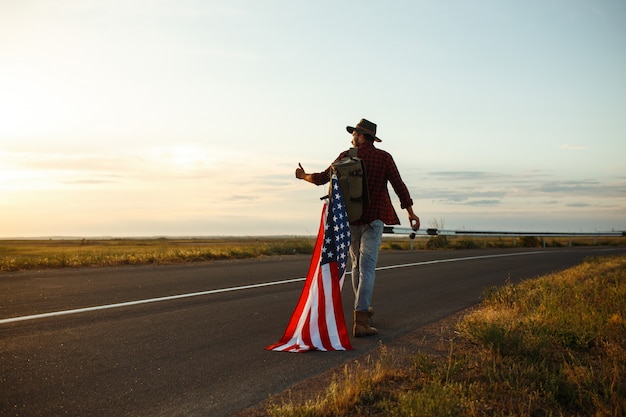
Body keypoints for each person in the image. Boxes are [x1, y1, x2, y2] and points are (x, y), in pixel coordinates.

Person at [295, 118, 420, 337]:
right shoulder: (384, 158)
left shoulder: (345, 157)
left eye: (354, 134)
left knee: (356, 266)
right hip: (374, 219)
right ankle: (361, 317)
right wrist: (410, 212)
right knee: (368, 267)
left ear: (361, 136)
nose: (352, 137)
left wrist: (303, 176)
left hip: (351, 220)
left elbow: (323, 178)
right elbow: (399, 186)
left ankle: (361, 312)